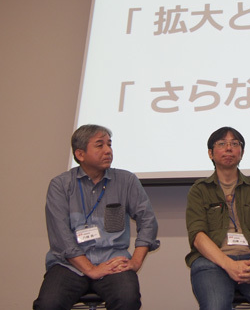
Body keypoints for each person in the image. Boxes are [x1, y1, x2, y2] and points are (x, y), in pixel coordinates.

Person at [33, 124, 160, 310]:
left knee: (127, 300)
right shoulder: (61, 185)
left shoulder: (126, 181)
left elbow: (148, 220)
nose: (108, 150)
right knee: (47, 304)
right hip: (69, 265)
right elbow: (61, 237)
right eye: (100, 145)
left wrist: (135, 261)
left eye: (109, 144)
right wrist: (91, 269)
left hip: (113, 262)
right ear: (80, 154)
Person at [185, 126, 250, 310]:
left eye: (235, 144)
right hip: (211, 261)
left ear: (241, 153)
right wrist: (228, 264)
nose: (229, 148)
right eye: (222, 144)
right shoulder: (200, 189)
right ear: (211, 153)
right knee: (215, 307)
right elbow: (198, 236)